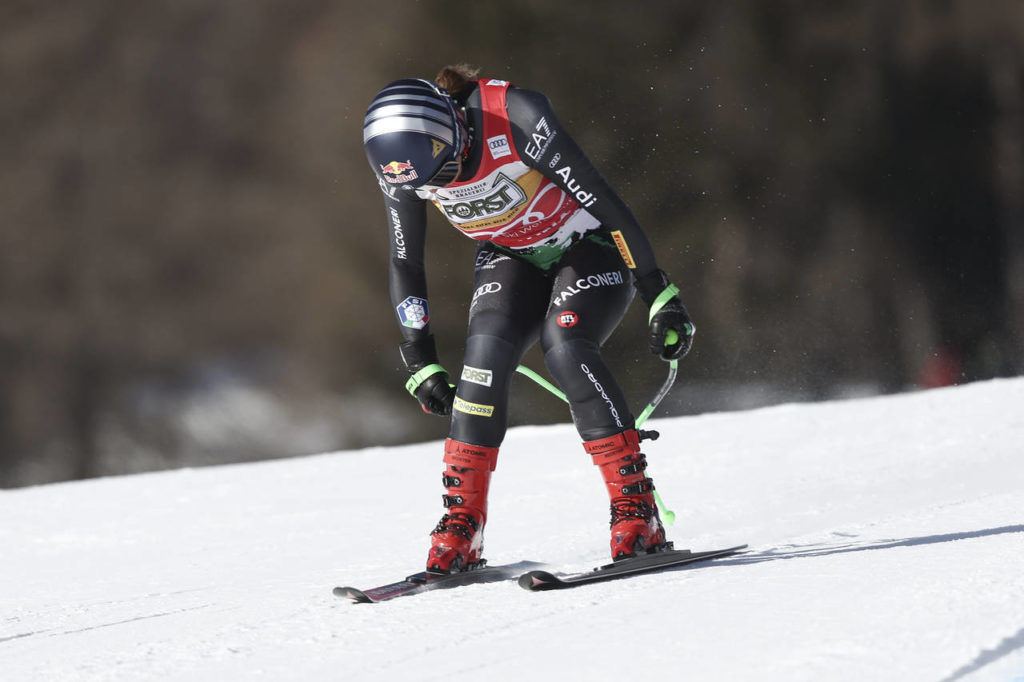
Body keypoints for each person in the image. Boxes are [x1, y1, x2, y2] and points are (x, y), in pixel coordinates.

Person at [362, 64, 695, 574]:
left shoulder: (516, 117)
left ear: (454, 131)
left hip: (589, 245)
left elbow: (604, 201)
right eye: (430, 186)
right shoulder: (404, 167)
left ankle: (637, 511)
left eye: (445, 172)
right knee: (482, 360)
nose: (441, 186)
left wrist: (657, 291)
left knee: (565, 346)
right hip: (509, 254)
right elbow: (405, 261)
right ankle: (463, 523)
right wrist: (420, 356)